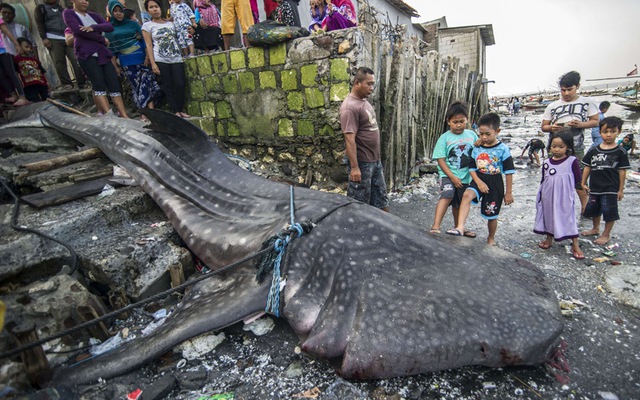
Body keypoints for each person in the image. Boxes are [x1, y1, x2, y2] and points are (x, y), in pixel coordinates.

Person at [449, 113, 515, 245]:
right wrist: (478, 182)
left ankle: (491, 238)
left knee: (492, 215)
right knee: (467, 195)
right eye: (481, 134)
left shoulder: (503, 149)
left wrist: (508, 192)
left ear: (497, 131)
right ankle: (460, 227)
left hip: (495, 183)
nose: (484, 137)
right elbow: (472, 168)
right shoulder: (477, 148)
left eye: (487, 134)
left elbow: (509, 172)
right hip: (478, 178)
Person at [541, 71, 599, 213]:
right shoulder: (553, 106)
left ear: (577, 86)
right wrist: (552, 127)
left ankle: (585, 208)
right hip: (554, 147)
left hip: (576, 147)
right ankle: (556, 206)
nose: (566, 93)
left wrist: (580, 124)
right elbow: (544, 127)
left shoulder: (587, 102)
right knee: (553, 176)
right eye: (563, 90)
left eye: (569, 89)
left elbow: (596, 121)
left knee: (579, 178)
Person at [63, 0, 130, 118]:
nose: (85, 2)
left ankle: (124, 115)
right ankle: (110, 116)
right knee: (98, 84)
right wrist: (101, 39)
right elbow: (78, 32)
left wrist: (93, 27)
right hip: (86, 54)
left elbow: (109, 26)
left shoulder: (93, 15)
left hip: (102, 54)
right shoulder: (69, 13)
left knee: (113, 83)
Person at [340, 66, 389, 211]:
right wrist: (355, 167)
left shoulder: (364, 102)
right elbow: (349, 139)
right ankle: (355, 233)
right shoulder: (349, 107)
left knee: (381, 200)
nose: (372, 88)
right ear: (357, 83)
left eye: (373, 84)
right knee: (359, 207)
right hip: (362, 164)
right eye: (369, 84)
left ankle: (388, 232)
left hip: (375, 161)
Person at [429, 101, 478, 236]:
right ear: (448, 121)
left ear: (467, 120)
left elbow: (478, 151)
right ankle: (435, 226)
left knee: (460, 202)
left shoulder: (472, 135)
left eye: (461, 121)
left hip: (466, 176)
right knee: (448, 194)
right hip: (448, 175)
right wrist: (451, 177)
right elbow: (440, 159)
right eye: (455, 122)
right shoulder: (444, 138)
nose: (458, 125)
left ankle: (459, 227)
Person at [534, 131, 584, 260]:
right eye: (554, 146)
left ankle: (575, 244)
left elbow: (578, 179)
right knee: (549, 216)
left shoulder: (572, 161)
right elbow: (544, 179)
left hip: (564, 196)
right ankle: (549, 238)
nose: (557, 149)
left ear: (568, 147)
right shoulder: (546, 162)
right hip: (548, 195)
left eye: (561, 147)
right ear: (549, 147)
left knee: (568, 217)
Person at [580, 117, 630, 246]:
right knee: (594, 209)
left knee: (609, 211)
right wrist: (583, 183)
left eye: (612, 131)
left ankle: (606, 234)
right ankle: (595, 228)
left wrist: (620, 190)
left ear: (618, 132)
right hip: (595, 187)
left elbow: (622, 171)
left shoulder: (620, 151)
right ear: (600, 132)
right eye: (605, 131)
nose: (608, 134)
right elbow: (587, 167)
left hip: (611, 188)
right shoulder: (594, 150)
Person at [105, 0, 161, 112]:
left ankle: (151, 110)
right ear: (111, 12)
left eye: (120, 11)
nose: (118, 13)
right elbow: (111, 51)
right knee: (137, 87)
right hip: (126, 61)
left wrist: (147, 57)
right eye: (115, 11)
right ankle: (144, 112)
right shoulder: (109, 29)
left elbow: (144, 40)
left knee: (147, 84)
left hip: (141, 58)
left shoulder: (133, 24)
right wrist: (116, 67)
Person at [142, 0, 190, 118]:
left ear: (160, 8)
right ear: (148, 11)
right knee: (168, 85)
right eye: (151, 7)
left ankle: (180, 109)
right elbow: (149, 45)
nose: (155, 9)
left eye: (156, 6)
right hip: (160, 58)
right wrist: (153, 64)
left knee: (180, 83)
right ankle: (176, 111)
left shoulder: (170, 23)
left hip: (176, 57)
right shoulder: (147, 26)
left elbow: (182, 33)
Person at [35, 0, 87, 90]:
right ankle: (67, 83)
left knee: (76, 59)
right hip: (53, 37)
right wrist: (44, 38)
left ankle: (82, 82)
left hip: (67, 37)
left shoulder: (62, 8)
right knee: (59, 61)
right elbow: (39, 24)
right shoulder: (41, 8)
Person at [0, 15, 29, 106]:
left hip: (4, 49)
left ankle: (22, 96)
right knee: (1, 75)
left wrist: (17, 44)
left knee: (11, 73)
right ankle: (13, 94)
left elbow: (6, 31)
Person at [14, 37, 49, 102]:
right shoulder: (17, 59)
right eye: (26, 47)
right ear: (18, 47)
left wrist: (47, 82)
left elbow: (42, 71)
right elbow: (16, 73)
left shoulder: (34, 59)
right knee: (34, 101)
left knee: (47, 99)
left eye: (30, 47)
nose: (29, 49)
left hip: (41, 83)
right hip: (28, 85)